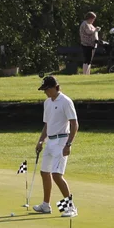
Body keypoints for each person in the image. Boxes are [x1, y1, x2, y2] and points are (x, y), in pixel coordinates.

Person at [33, 75, 78, 216]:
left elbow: (74, 124)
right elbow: (47, 124)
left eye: (47, 89)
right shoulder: (47, 103)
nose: (46, 92)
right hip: (50, 141)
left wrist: (68, 144)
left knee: (57, 175)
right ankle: (46, 205)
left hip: (62, 141)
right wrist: (41, 140)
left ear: (55, 87)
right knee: (44, 172)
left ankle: (71, 208)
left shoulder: (66, 101)